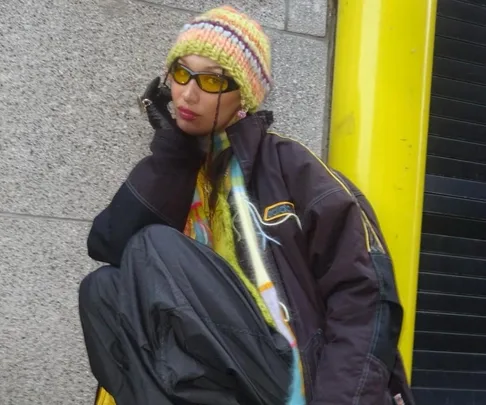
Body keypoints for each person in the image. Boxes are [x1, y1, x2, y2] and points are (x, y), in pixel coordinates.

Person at [79, 5, 414, 405]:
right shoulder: (181, 171)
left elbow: (366, 295)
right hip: (219, 378)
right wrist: (173, 156)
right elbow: (110, 247)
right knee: (101, 290)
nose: (188, 92)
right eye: (182, 73)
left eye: (211, 81)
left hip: (292, 378)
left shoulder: (293, 168)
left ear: (245, 94)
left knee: (155, 246)